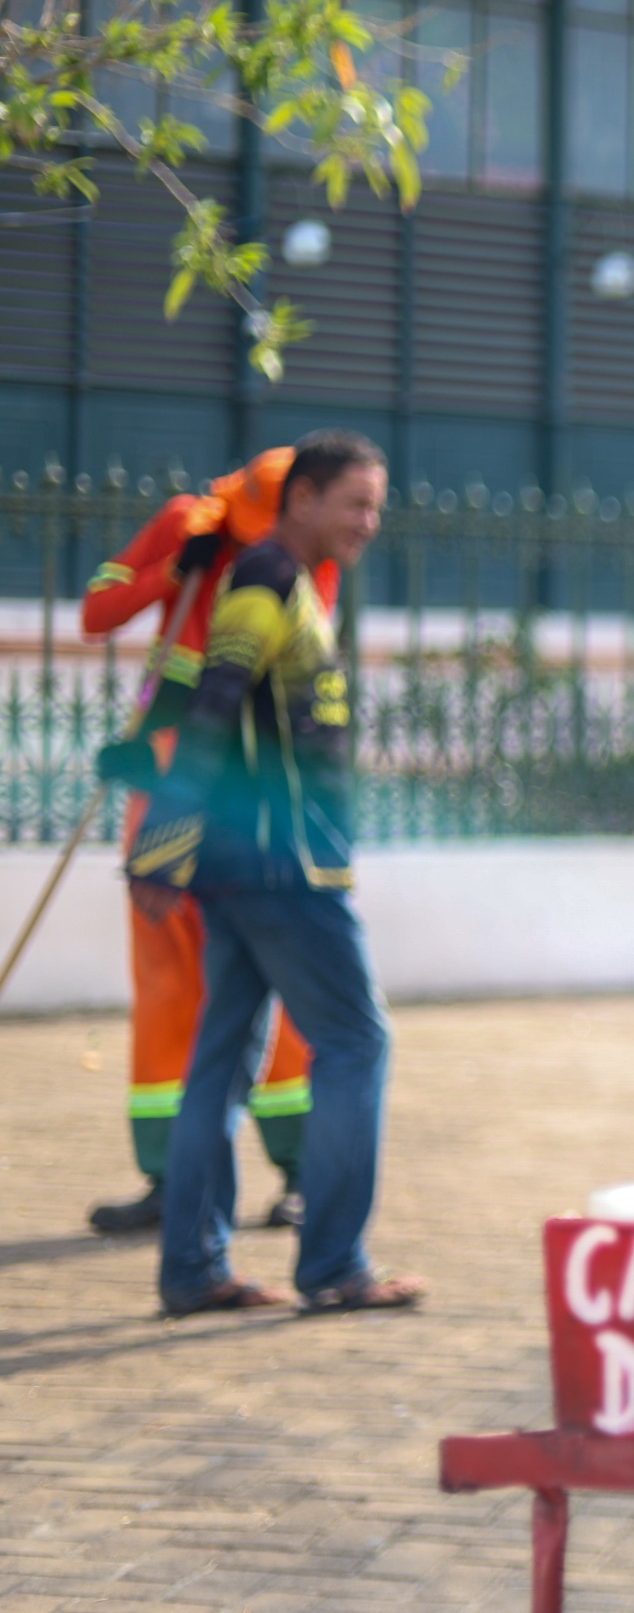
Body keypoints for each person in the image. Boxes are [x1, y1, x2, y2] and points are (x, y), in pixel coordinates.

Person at [129, 429, 423, 1317]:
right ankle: (334, 1265)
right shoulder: (265, 582)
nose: (370, 522)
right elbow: (214, 706)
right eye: (355, 503)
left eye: (376, 505)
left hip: (244, 864)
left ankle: (193, 1270)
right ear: (302, 500)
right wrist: (159, 847)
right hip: (281, 865)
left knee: (221, 1062)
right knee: (356, 1044)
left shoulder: (287, 585)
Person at [80, 449, 341, 1235]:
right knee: (167, 985)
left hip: (247, 791)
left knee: (282, 986)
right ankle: (169, 1177)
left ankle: (302, 1171)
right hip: (163, 777)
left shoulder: (309, 559)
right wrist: (174, 567)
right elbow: (99, 612)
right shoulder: (186, 525)